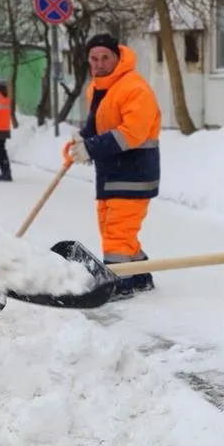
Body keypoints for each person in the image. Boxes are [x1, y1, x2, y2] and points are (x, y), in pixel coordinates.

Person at [67, 33, 161, 299]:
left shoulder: (134, 87)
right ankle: (141, 274)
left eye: (105, 57)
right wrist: (82, 139)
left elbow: (133, 132)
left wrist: (92, 148)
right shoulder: (99, 87)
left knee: (117, 232)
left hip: (134, 173)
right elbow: (98, 124)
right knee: (117, 229)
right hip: (111, 173)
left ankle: (120, 283)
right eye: (94, 59)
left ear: (118, 57)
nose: (99, 64)